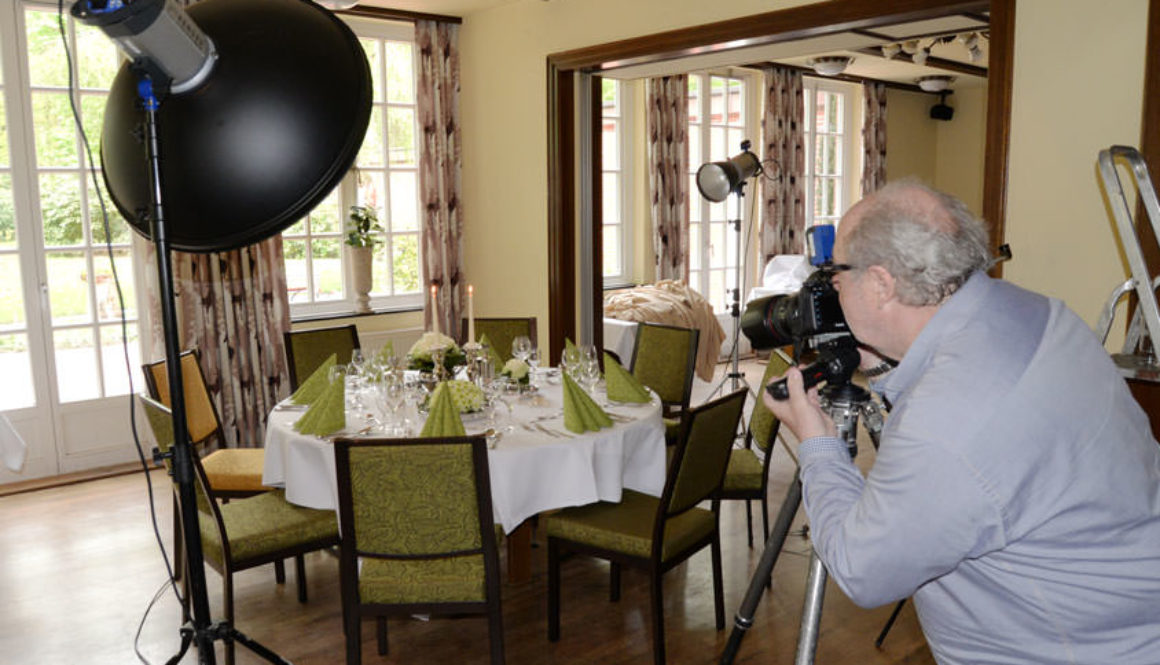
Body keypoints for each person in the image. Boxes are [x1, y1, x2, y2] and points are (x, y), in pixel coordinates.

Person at [765, 180, 1160, 664]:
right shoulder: (1035, 311)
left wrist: (817, 440)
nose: (832, 287)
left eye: (838, 272)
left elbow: (862, 569)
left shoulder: (945, 428)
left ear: (882, 284)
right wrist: (889, 360)